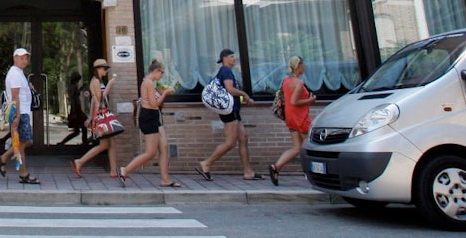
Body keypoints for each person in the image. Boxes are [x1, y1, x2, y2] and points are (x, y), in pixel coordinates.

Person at [195, 49, 263, 181]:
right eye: (232, 56)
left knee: (243, 137)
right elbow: (230, 89)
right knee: (230, 142)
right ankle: (206, 163)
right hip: (230, 111)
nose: (234, 59)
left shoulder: (227, 71)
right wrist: (245, 95)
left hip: (234, 110)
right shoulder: (225, 70)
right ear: (225, 58)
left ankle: (248, 172)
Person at [116, 60, 179, 187]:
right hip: (149, 116)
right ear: (156, 71)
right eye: (162, 73)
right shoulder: (148, 83)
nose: (162, 75)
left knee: (164, 147)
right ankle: (125, 170)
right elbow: (154, 104)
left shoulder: (151, 83)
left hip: (155, 117)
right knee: (150, 152)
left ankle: (165, 179)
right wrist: (165, 94)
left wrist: (161, 92)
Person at [0, 47, 40, 184]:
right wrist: (17, 116)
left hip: (22, 112)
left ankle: (4, 160)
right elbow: (15, 97)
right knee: (22, 143)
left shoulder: (19, 73)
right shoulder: (14, 74)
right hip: (20, 112)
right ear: (14, 58)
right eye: (21, 58)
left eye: (26, 58)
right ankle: (21, 173)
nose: (24, 60)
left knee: (22, 143)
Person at [269, 56, 317, 186]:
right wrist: (310, 100)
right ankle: (313, 172)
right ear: (299, 66)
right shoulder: (298, 83)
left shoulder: (286, 81)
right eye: (303, 65)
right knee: (311, 146)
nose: (304, 67)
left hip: (290, 118)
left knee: (296, 148)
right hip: (300, 118)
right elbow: (294, 101)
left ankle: (276, 167)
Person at [69, 59, 118, 177]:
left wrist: (90, 117)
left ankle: (113, 170)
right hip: (101, 115)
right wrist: (110, 85)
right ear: (98, 69)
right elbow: (100, 99)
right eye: (104, 68)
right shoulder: (95, 81)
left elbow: (93, 100)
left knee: (110, 143)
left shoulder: (97, 81)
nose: (106, 71)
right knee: (105, 144)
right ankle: (80, 162)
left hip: (102, 114)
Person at [58, 71, 88, 145]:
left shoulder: (73, 86)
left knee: (77, 131)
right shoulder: (72, 86)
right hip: (76, 109)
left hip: (76, 108)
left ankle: (63, 142)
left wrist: (80, 89)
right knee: (83, 127)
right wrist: (74, 110)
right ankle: (85, 143)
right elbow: (72, 97)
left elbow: (74, 95)